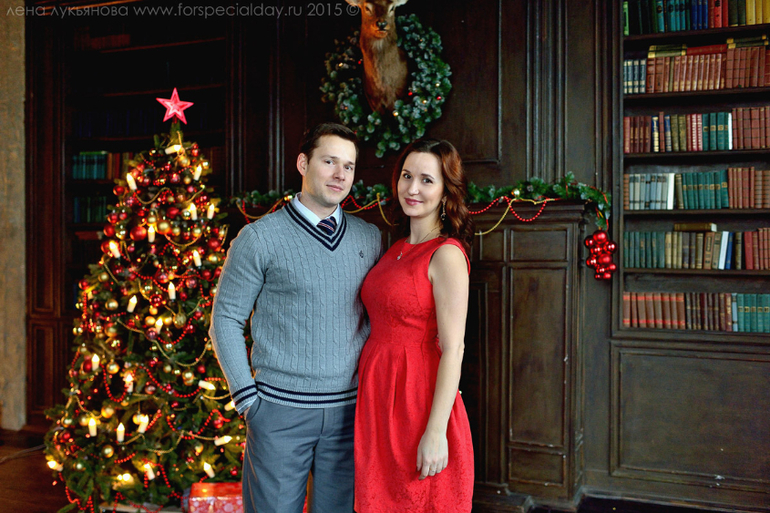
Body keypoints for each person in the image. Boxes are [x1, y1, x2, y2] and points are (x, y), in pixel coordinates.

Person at [209, 122, 382, 513]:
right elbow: (226, 319)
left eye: (349, 166)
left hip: (350, 413)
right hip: (278, 412)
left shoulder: (368, 238)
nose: (340, 174)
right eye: (329, 161)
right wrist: (248, 401)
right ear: (303, 163)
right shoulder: (259, 238)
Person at [354, 139, 475, 512]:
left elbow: (454, 348)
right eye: (407, 176)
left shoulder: (446, 254)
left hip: (416, 396)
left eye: (427, 180)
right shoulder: (395, 248)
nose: (412, 188)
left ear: (445, 192)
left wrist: (436, 432)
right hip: (378, 394)